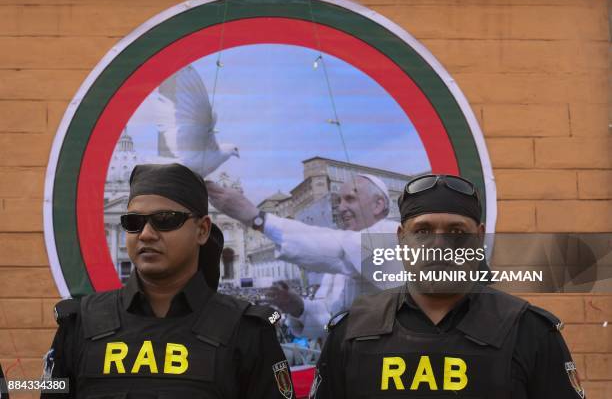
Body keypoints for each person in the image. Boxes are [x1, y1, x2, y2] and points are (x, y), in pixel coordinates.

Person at [310, 174, 585, 399]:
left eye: (456, 232)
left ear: (478, 239)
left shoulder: (529, 332)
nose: (439, 246)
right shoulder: (351, 332)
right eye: (423, 231)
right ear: (401, 239)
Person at [41, 163, 294, 399]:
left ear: (202, 230)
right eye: (133, 222)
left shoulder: (248, 332)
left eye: (165, 220)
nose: (146, 234)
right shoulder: (79, 325)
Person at [208, 174, 398, 339]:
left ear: (377, 204)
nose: (341, 208)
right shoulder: (344, 260)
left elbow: (337, 248)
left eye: (350, 199)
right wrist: (297, 306)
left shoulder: (393, 236)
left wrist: (255, 218)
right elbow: (329, 318)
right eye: (339, 201)